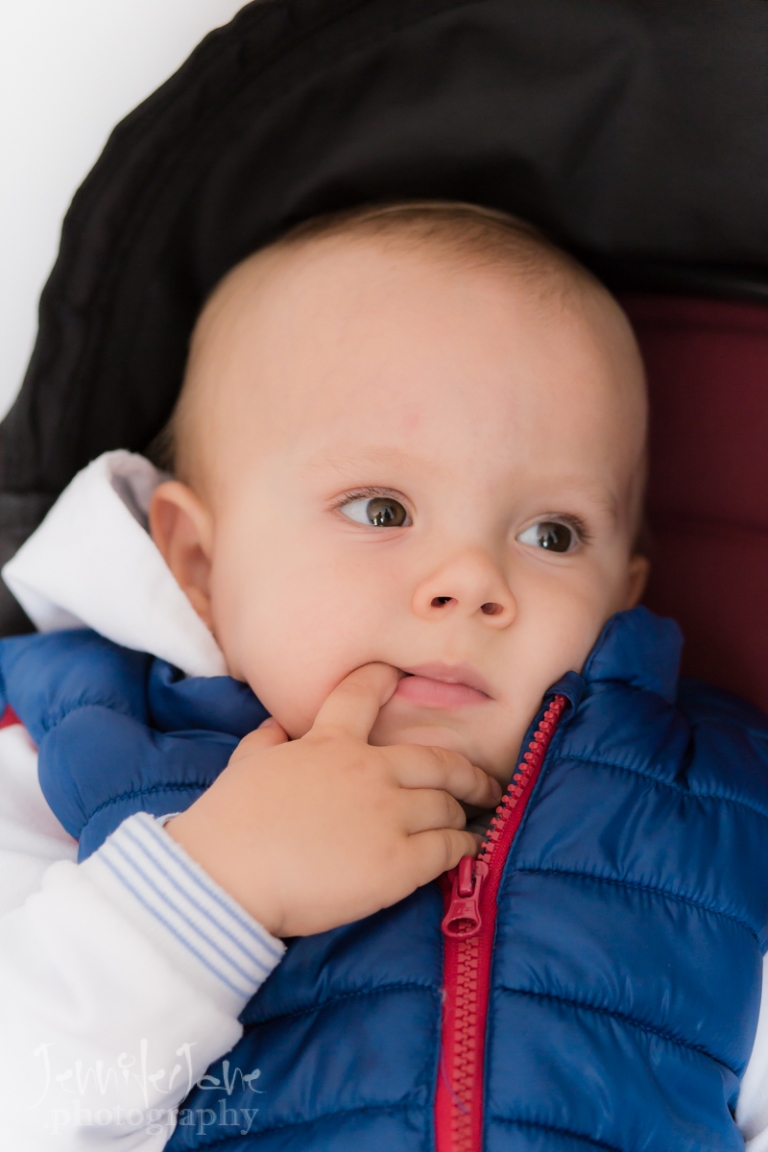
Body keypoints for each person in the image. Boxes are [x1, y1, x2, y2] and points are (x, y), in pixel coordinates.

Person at [1, 201, 768, 1151]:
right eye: (380, 507)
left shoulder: (724, 819)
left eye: (551, 535)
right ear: (200, 563)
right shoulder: (66, 770)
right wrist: (218, 886)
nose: (473, 581)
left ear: (622, 597)